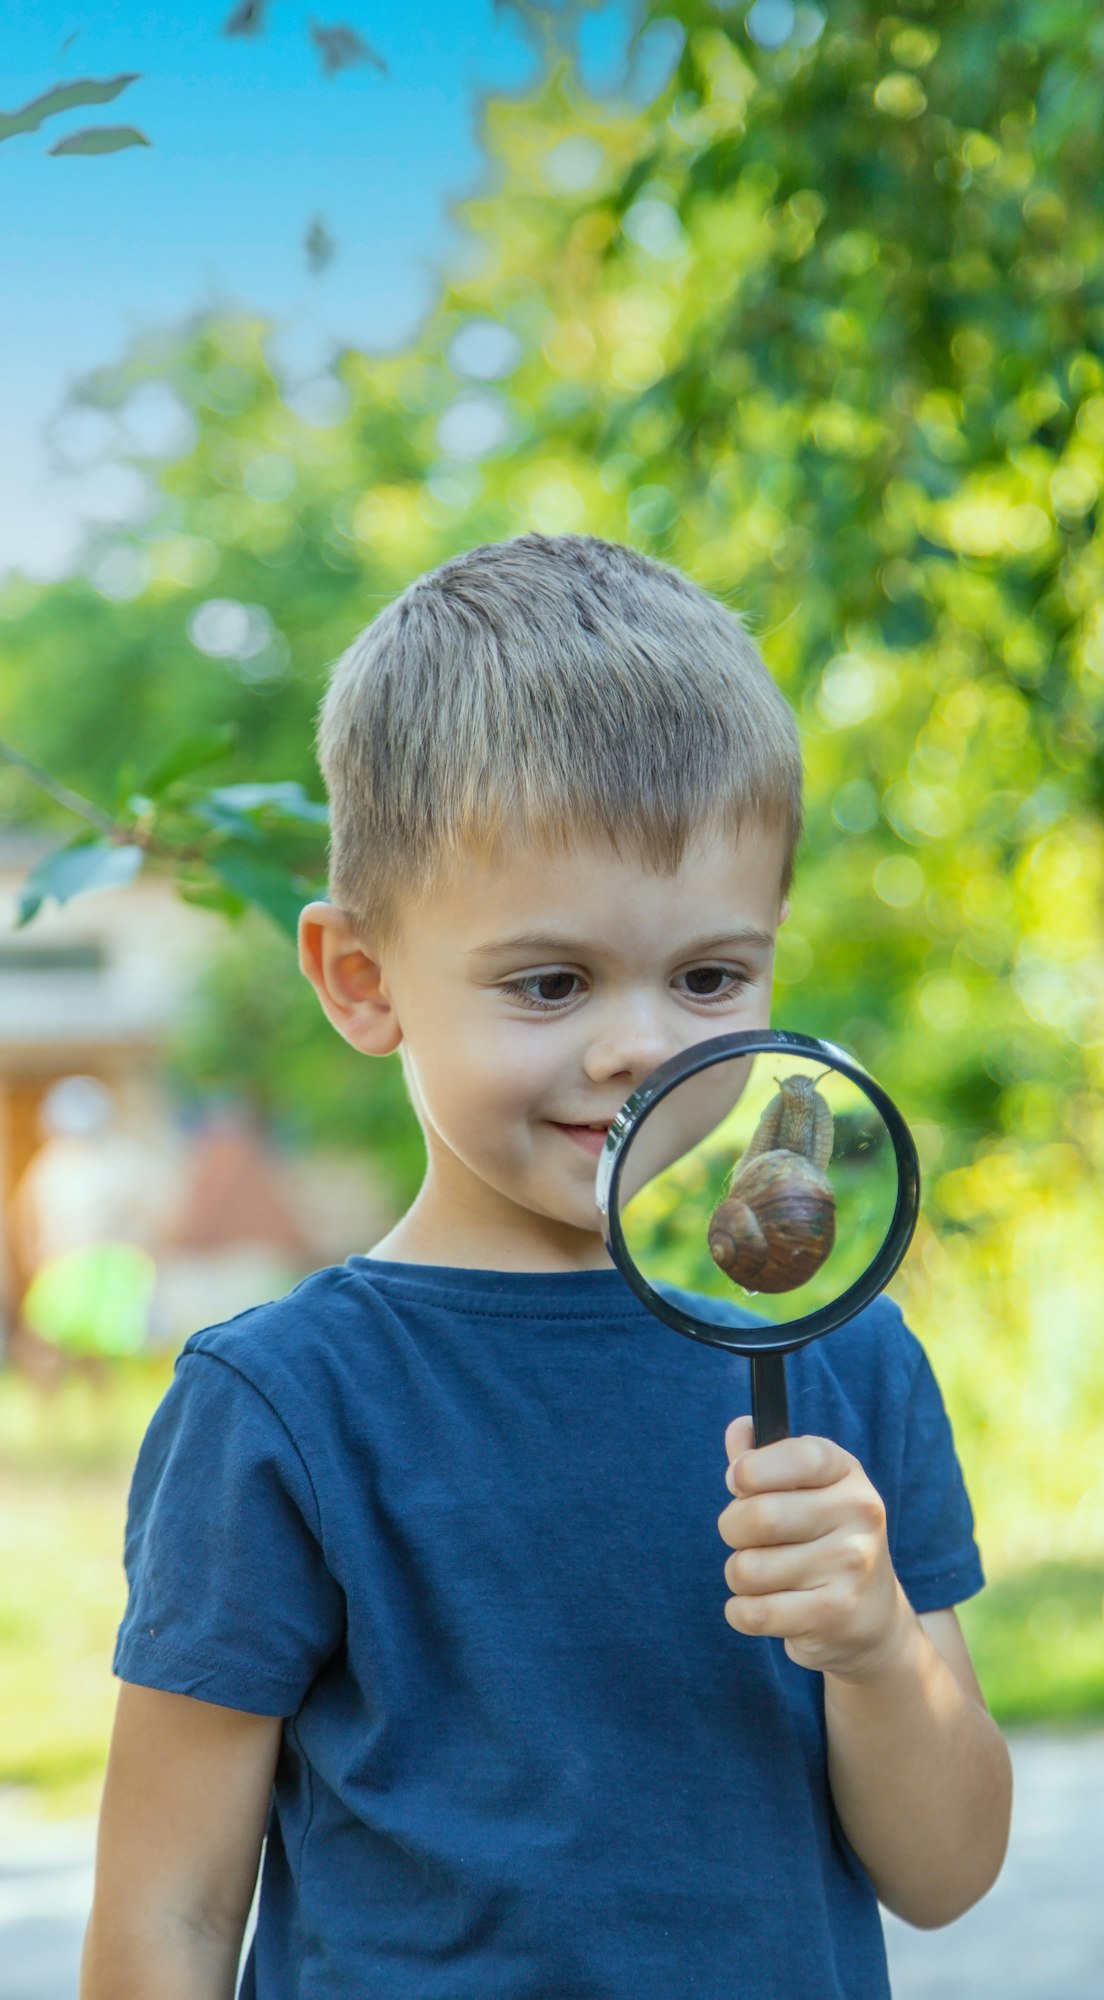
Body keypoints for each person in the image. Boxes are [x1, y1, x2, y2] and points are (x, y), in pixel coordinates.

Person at [81, 533, 1012, 2000]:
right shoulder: (283, 1404)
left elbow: (946, 1873)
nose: (637, 1043)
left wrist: (877, 1648)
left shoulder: (840, 1359)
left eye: (709, 977)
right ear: (361, 982)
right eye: (549, 982)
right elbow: (164, 1923)